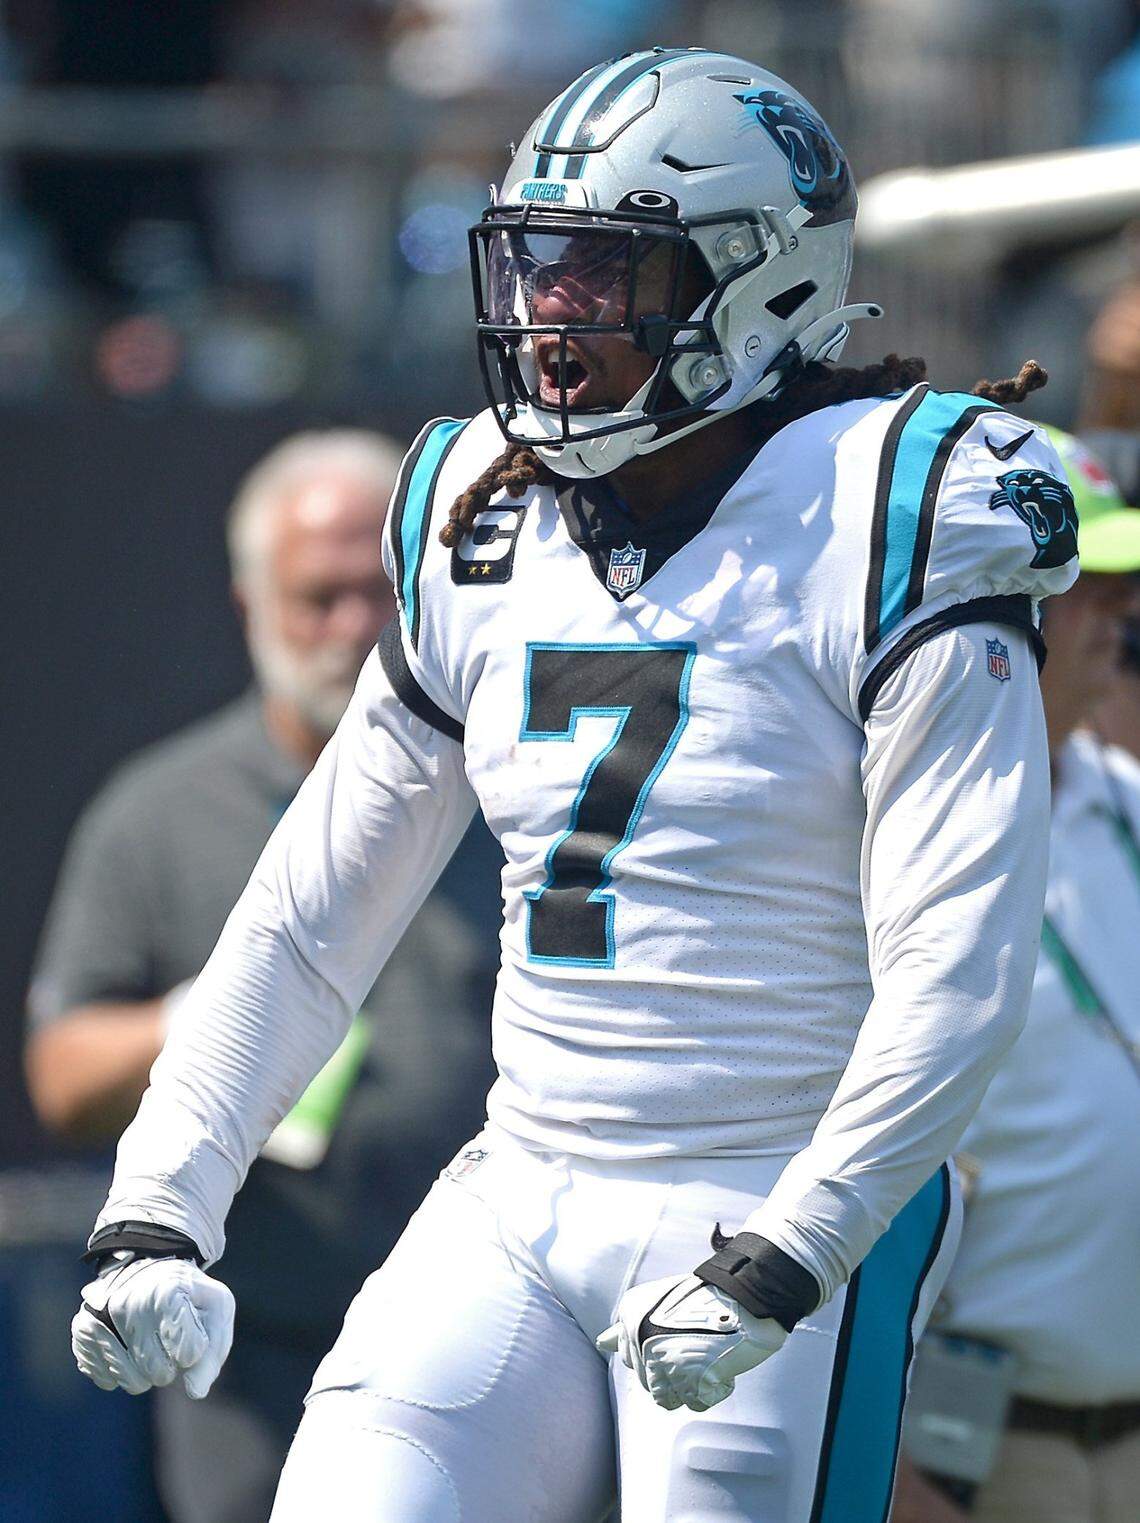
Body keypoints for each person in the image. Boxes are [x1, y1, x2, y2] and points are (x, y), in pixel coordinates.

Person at [69, 48, 1078, 1523]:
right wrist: (160, 1198)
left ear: (762, 285)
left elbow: (960, 962)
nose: (548, 316)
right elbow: (310, 913)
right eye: (536, 266)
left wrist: (798, 1241)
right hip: (528, 1172)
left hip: (778, 1163)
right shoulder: (481, 510)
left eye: (604, 275)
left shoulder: (894, 508)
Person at [27, 431, 500, 1523]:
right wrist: (217, 1019)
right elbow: (59, 1072)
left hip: (492, 1339)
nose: (349, 630)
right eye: (314, 598)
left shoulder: (516, 780)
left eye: (373, 595)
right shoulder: (158, 811)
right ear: (250, 605)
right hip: (257, 1358)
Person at [892, 429, 1140, 1523]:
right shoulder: (880, 839)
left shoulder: (1120, 798)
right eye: (1092, 588)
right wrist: (884, 1468)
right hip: (974, 1461)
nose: (1123, 617)